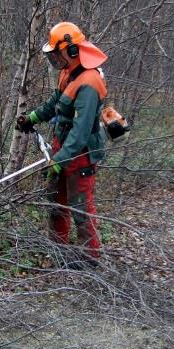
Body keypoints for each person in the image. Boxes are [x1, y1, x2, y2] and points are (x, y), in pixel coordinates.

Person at [16, 22, 108, 267]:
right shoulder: (69, 71)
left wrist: (59, 160)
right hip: (63, 148)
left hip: (80, 154)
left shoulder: (89, 82)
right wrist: (33, 117)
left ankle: (91, 257)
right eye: (53, 54)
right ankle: (57, 247)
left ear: (73, 50)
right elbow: (55, 101)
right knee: (56, 199)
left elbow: (80, 133)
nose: (55, 58)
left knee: (80, 206)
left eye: (58, 53)